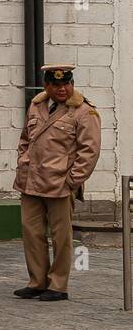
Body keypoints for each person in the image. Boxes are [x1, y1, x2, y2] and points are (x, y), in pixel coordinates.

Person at [12, 63, 101, 302]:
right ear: (47, 86)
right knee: (32, 233)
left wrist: (72, 181)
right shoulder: (37, 105)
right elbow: (25, 138)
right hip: (30, 181)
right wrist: (23, 160)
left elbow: (89, 152)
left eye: (67, 84)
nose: (62, 89)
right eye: (57, 85)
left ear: (72, 84)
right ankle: (38, 281)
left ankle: (58, 285)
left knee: (61, 237)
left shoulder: (84, 111)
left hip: (60, 184)